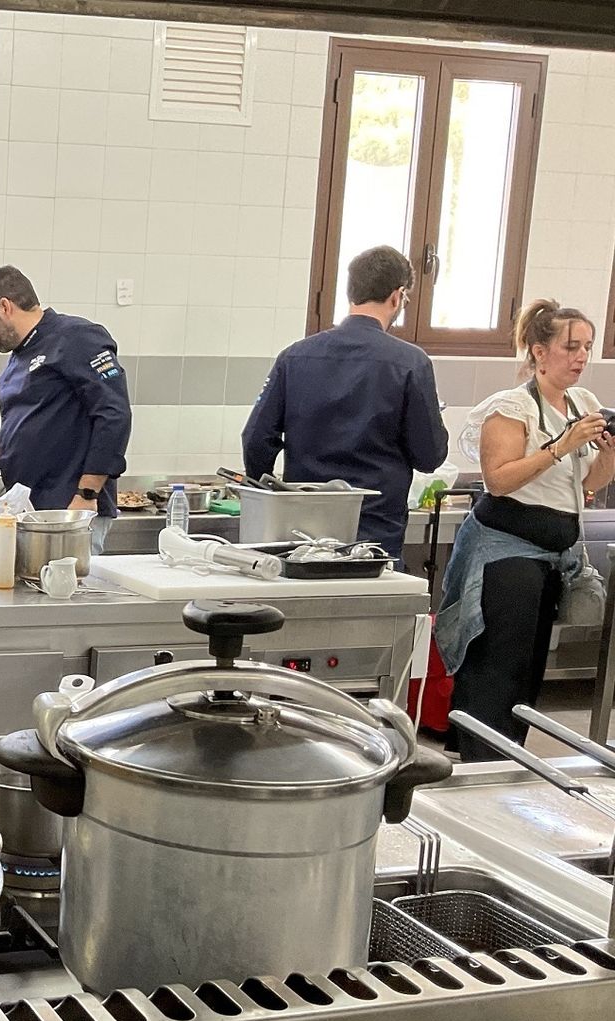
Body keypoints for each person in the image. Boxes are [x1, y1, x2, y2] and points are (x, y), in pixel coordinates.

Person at [436, 300, 615, 762]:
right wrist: (561, 446)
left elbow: (589, 484)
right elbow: (498, 479)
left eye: (587, 348)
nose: (580, 357)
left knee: (531, 665)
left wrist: (609, 452)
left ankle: (509, 755)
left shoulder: (584, 403)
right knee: (498, 663)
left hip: (553, 552)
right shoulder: (511, 406)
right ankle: (478, 759)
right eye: (570, 346)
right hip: (506, 552)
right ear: (539, 351)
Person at [241, 245, 447, 562]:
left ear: (351, 293)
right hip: (374, 535)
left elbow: (256, 439)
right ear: (398, 296)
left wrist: (273, 497)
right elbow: (429, 456)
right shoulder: (410, 363)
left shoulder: (295, 356)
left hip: (301, 533)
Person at [0, 266, 130, 553]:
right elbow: (44, 425)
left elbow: (114, 415)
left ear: (5, 307)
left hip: (70, 510)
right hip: (30, 510)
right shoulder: (21, 353)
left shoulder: (76, 338)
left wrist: (87, 494)